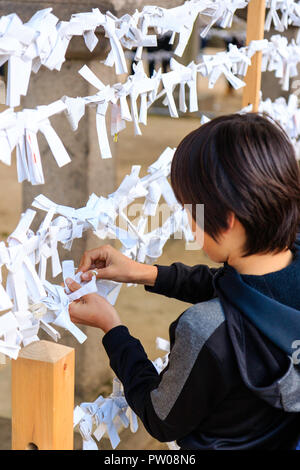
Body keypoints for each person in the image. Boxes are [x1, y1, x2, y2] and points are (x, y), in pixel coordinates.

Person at [67, 113, 300, 450]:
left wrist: (113, 330)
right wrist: (144, 272)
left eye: (194, 214)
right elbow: (238, 289)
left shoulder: (204, 329)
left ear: (230, 221)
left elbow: (161, 417)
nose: (191, 227)